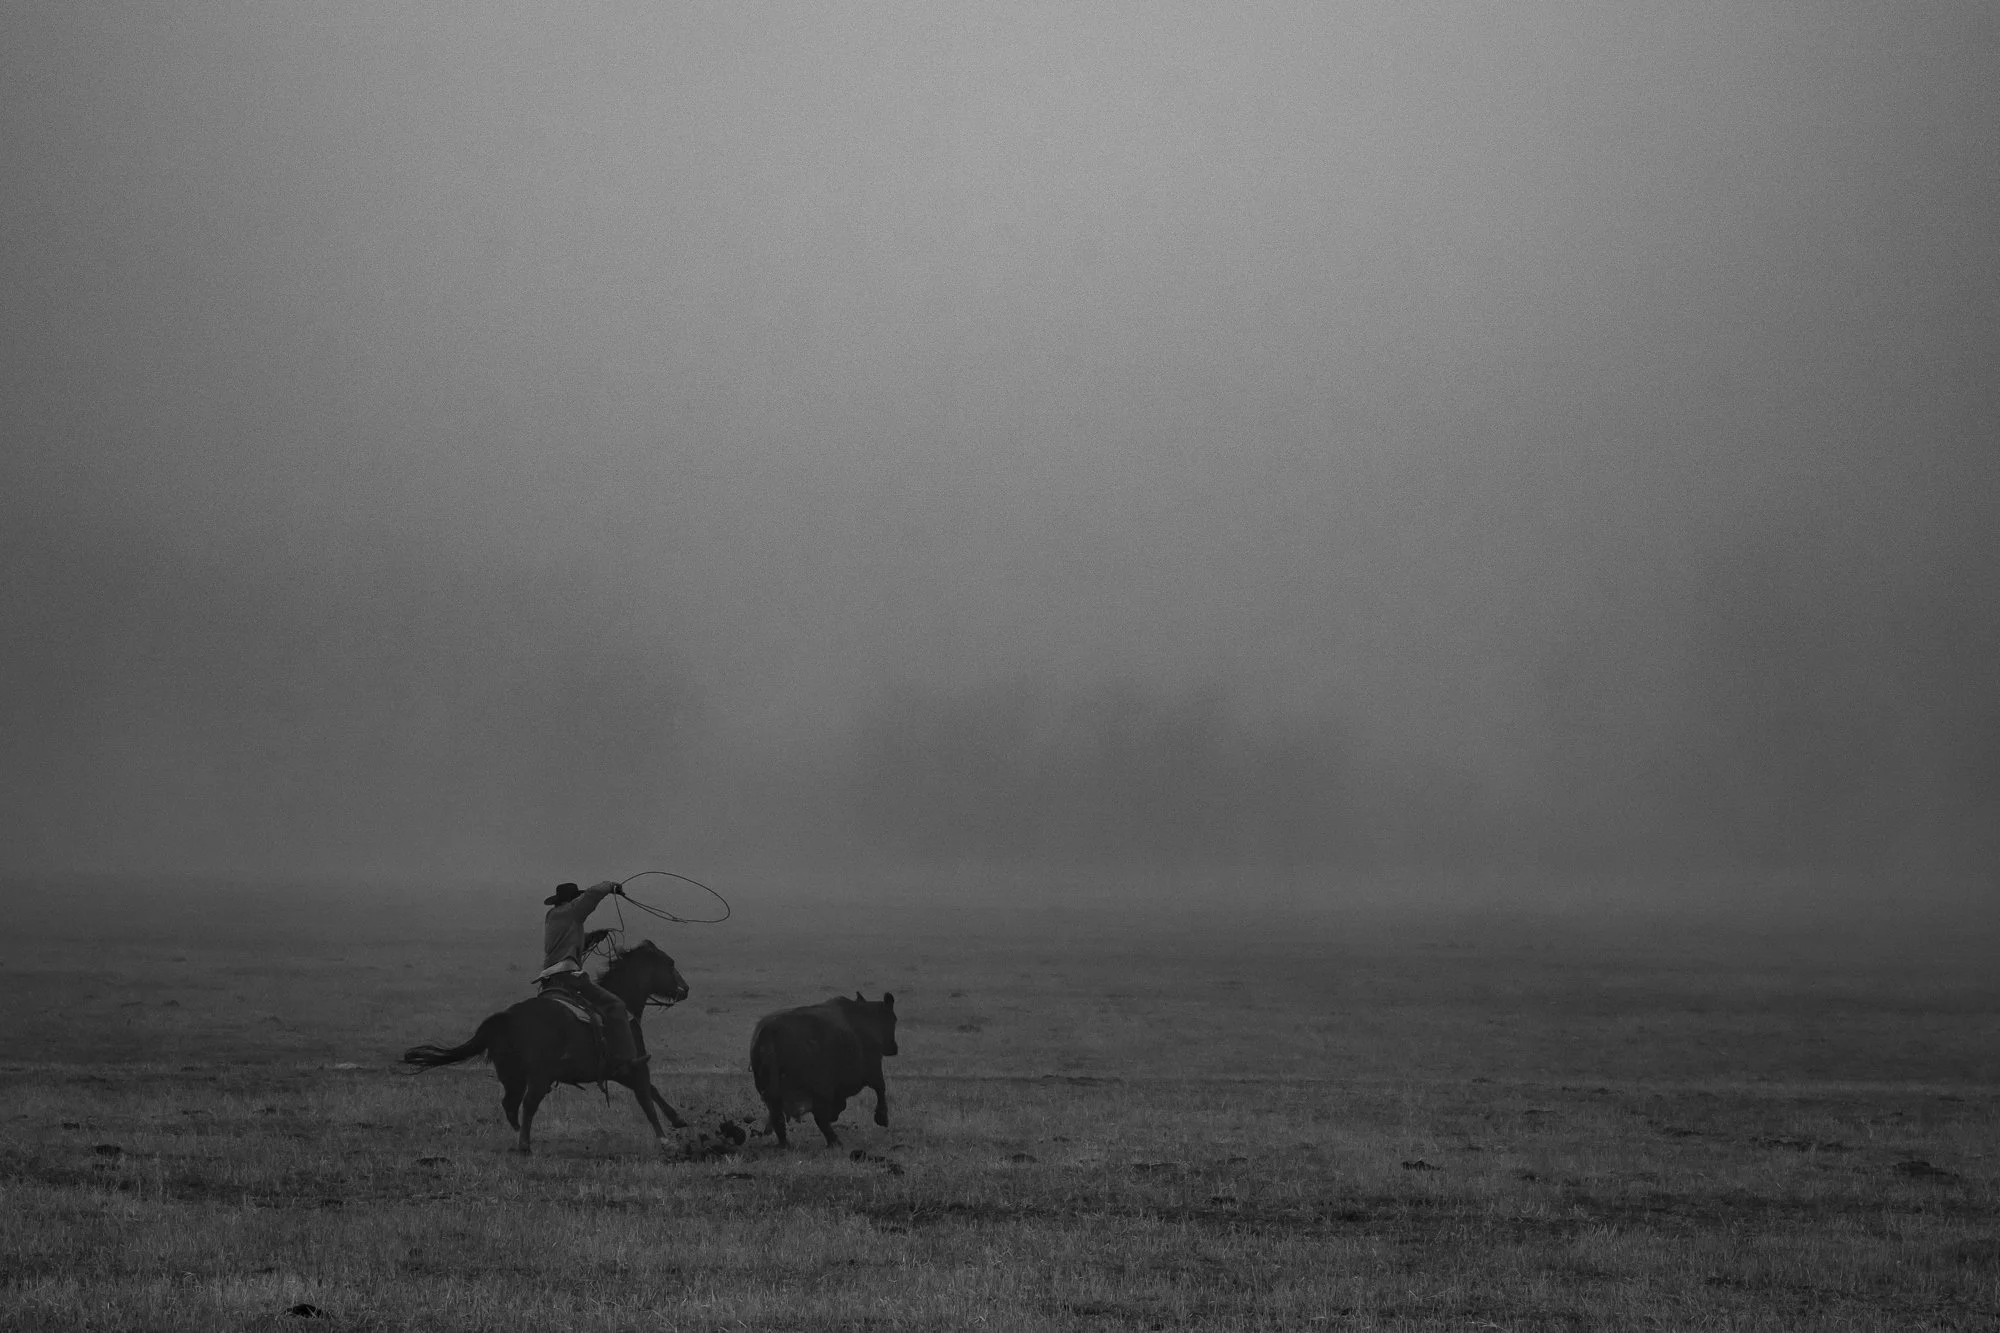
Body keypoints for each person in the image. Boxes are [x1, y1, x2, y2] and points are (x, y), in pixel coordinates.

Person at [537, 880, 642, 1073]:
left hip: (549, 979)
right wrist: (611, 887)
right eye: (577, 898)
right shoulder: (573, 911)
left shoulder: (552, 915)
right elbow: (593, 894)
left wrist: (593, 937)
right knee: (616, 1006)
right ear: (573, 899)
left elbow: (564, 943)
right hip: (569, 975)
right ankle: (627, 1059)